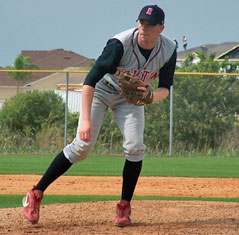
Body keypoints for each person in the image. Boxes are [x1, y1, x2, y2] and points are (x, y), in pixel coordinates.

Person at [22, 4, 177, 227]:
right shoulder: (120, 44)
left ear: (161, 28)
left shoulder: (169, 49)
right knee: (81, 147)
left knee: (135, 147)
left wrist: (151, 95)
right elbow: (90, 80)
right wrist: (85, 120)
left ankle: (124, 206)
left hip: (130, 99)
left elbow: (165, 88)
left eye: (150, 24)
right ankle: (35, 193)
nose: (144, 28)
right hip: (101, 91)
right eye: (142, 22)